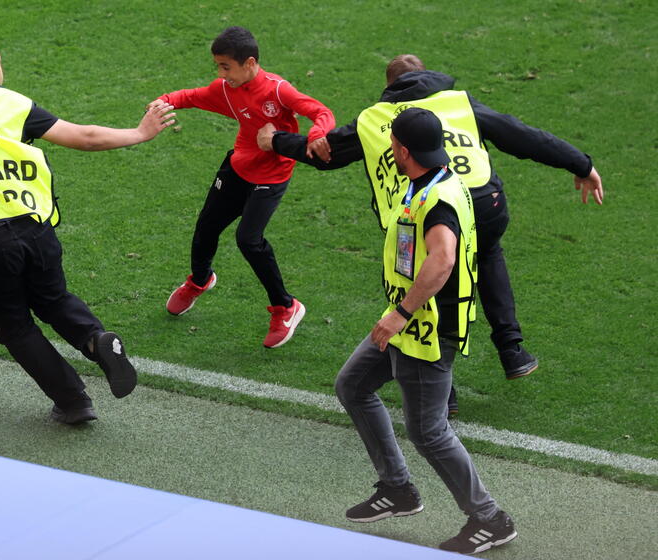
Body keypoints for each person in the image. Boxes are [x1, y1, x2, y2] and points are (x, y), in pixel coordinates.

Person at [259, 54, 603, 410]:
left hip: (424, 213)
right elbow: (524, 136)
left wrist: (275, 141)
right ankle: (512, 351)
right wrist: (581, 164)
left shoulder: (374, 119)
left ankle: (443, 390)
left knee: (425, 287)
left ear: (389, 88)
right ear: (426, 77)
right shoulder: (459, 102)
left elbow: (325, 153)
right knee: (485, 254)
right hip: (485, 203)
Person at [0, 33, 176, 424]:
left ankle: (74, 402)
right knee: (53, 299)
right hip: (34, 231)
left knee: (15, 328)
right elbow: (83, 137)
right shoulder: (12, 104)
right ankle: (95, 340)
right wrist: (139, 133)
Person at [333, 107, 516, 554]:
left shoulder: (435, 200)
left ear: (401, 149)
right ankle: (397, 489)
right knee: (353, 386)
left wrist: (400, 312)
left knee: (429, 431)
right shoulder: (435, 180)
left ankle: (490, 519)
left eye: (392, 143)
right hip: (412, 323)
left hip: (426, 328)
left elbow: (443, 259)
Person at [153, 26, 335, 348]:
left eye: (226, 66)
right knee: (207, 227)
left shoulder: (278, 91)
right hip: (237, 167)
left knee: (249, 240)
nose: (221, 74)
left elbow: (321, 112)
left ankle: (286, 307)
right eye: (218, 67)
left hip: (271, 177)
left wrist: (318, 133)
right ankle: (199, 281)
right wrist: (165, 101)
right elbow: (193, 97)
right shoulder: (227, 89)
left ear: (250, 63)